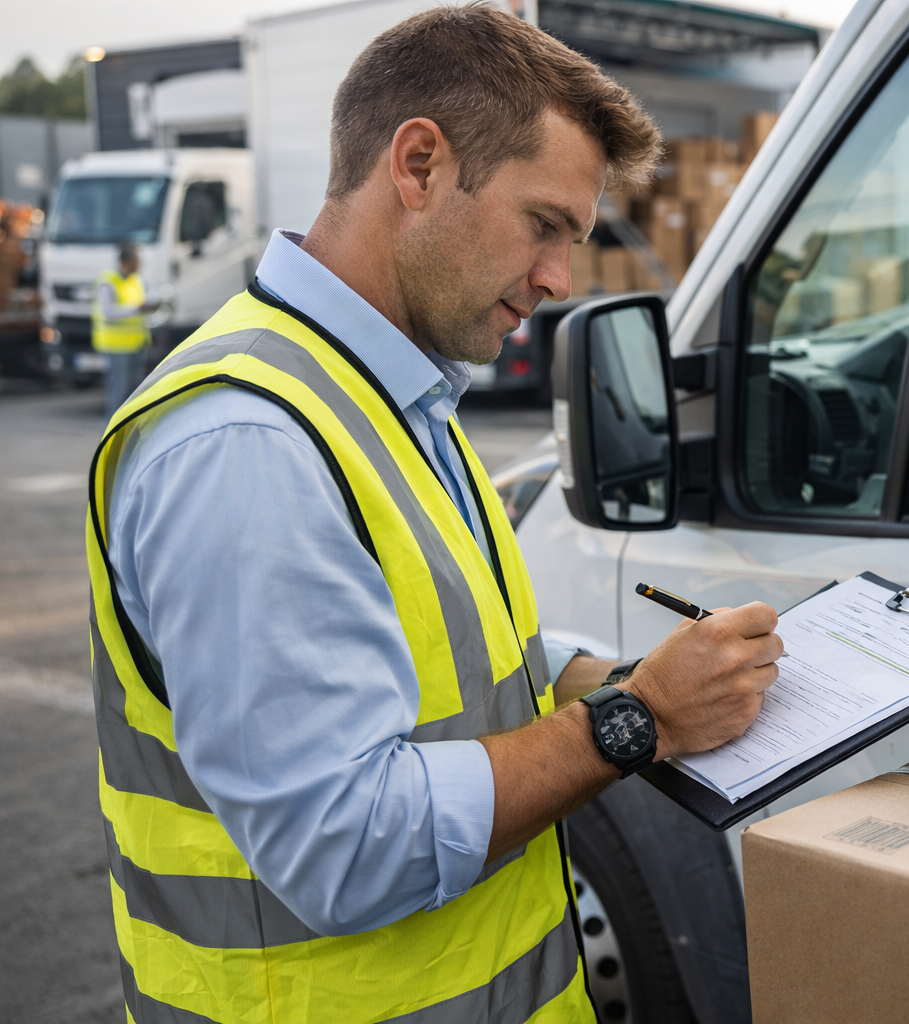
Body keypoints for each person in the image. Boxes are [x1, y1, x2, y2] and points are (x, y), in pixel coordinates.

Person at [86, 7, 781, 1022]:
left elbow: (445, 660)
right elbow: (344, 845)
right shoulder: (249, 447)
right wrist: (637, 721)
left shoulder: (391, 391)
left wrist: (594, 674)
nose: (558, 279)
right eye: (543, 225)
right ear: (417, 164)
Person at [92, 241, 156, 416]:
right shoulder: (108, 281)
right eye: (136, 262)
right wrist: (138, 308)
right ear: (125, 262)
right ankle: (111, 437)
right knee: (120, 395)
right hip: (117, 347)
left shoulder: (137, 280)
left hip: (137, 344)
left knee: (134, 395)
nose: (139, 266)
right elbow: (109, 312)